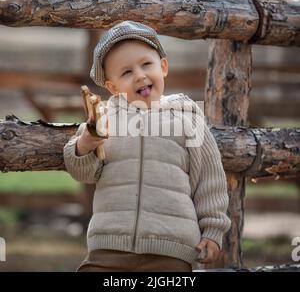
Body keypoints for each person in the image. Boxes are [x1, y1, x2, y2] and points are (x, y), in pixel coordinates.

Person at [63, 20, 231, 272]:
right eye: (126, 72)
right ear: (112, 86)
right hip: (108, 247)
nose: (140, 75)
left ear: (163, 67)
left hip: (171, 249)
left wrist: (213, 231)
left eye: (146, 64)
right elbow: (83, 172)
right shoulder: (103, 118)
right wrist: (86, 143)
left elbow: (210, 179)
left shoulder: (187, 118)